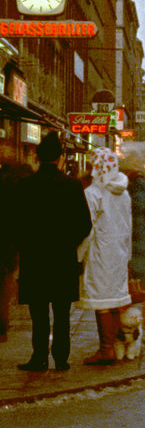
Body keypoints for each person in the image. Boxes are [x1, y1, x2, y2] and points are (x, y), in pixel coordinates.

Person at [13, 132, 92, 371]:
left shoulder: (26, 186)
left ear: (38, 157)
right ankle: (61, 357)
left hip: (35, 258)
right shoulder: (71, 186)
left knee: (38, 312)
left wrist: (25, 244)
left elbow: (15, 222)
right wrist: (69, 242)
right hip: (62, 258)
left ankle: (38, 357)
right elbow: (85, 224)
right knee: (61, 311)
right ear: (60, 158)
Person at [77, 147, 133, 366]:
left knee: (102, 300)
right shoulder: (124, 192)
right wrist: (127, 253)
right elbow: (129, 225)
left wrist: (79, 254)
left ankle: (106, 348)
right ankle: (112, 345)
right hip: (119, 250)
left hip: (101, 251)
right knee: (115, 298)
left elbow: (87, 226)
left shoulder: (94, 193)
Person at [0, 142, 32, 343]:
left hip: (8, 238)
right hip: (12, 239)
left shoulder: (6, 181)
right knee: (5, 282)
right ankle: (2, 326)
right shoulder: (21, 183)